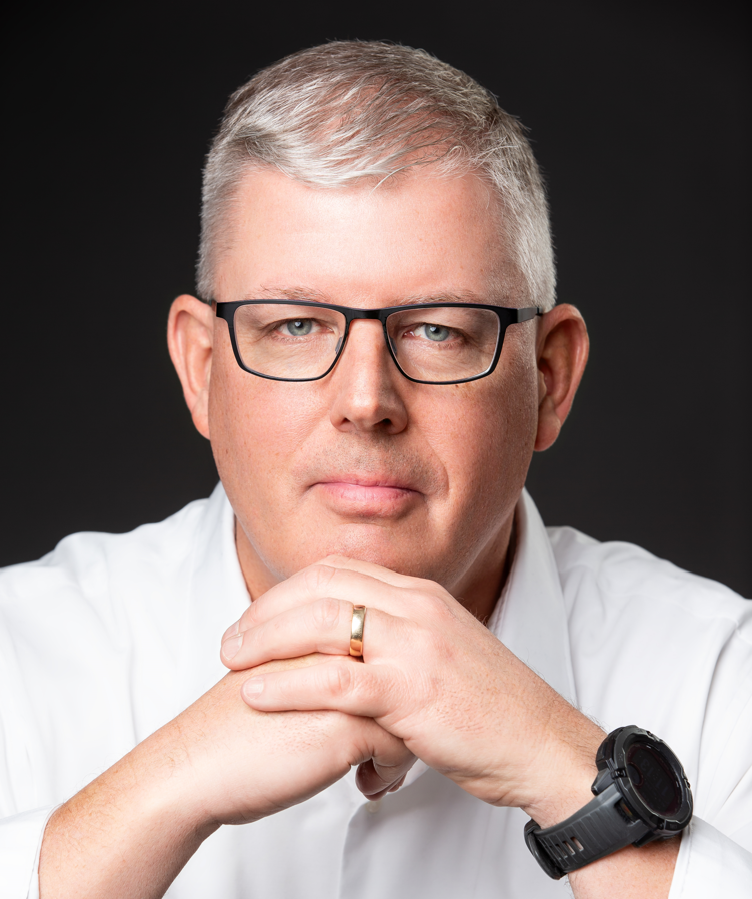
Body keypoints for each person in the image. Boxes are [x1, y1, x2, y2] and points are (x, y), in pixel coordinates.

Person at [0, 41, 749, 899]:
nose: (366, 400)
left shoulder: (721, 681)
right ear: (201, 369)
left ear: (549, 378)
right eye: (295, 325)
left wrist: (562, 764)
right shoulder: (18, 659)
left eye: (439, 329)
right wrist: (156, 796)